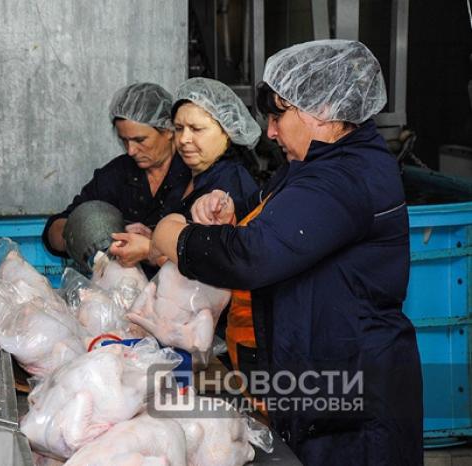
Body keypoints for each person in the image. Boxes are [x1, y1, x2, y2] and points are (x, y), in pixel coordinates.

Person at [150, 40, 423, 465]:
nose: (271, 131)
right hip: (321, 382)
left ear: (324, 109)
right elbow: (271, 215)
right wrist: (226, 206)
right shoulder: (316, 165)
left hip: (354, 400)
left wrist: (174, 236)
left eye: (278, 115)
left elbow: (252, 256)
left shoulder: (343, 177)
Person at [42, 82, 191, 277]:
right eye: (124, 140)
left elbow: (209, 249)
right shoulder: (118, 173)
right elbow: (56, 231)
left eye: (139, 140)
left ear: (169, 130)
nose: (131, 151)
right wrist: (98, 235)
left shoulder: (192, 173)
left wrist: (154, 243)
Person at [109, 77, 261, 269]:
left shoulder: (231, 184)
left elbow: (219, 260)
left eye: (196, 129)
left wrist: (150, 249)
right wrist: (155, 236)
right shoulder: (191, 175)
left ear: (227, 131)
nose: (183, 139)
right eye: (179, 128)